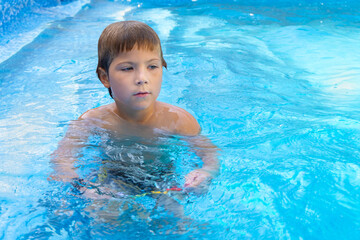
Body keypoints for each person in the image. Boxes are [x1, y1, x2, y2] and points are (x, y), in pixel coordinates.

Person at [50, 21, 219, 199]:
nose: (142, 78)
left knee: (175, 217)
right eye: (128, 68)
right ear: (105, 77)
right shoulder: (93, 120)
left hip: (164, 179)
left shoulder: (178, 120)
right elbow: (61, 160)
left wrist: (206, 172)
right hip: (113, 178)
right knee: (100, 209)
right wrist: (83, 187)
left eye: (152, 67)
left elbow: (210, 154)